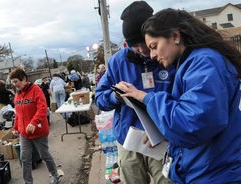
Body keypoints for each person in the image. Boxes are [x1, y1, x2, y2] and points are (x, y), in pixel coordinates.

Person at [118, 8, 241, 183]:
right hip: (205, 168)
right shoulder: (191, 63)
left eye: (154, 46)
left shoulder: (204, 63)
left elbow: (192, 122)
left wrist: (147, 98)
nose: (152, 55)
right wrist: (161, 132)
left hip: (213, 172)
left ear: (175, 36)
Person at [95, 2, 175, 183]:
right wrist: (115, 96)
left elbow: (179, 99)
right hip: (128, 140)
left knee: (168, 180)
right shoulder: (118, 61)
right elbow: (99, 98)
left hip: (162, 139)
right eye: (134, 45)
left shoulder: (168, 56)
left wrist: (164, 129)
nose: (142, 50)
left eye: (144, 43)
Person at [9, 67, 60, 184]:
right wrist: (16, 127)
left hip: (38, 131)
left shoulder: (36, 90)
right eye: (12, 82)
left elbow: (42, 109)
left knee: (44, 155)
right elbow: (18, 114)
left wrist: (33, 122)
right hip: (24, 133)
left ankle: (55, 175)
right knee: (24, 158)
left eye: (16, 81)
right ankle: (28, 182)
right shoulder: (18, 95)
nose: (14, 85)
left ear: (24, 79)